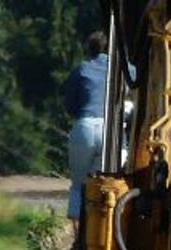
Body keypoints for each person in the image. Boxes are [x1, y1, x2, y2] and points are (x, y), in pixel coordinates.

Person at [63, 31, 109, 237]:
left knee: (78, 183)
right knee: (106, 184)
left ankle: (77, 235)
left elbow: (70, 104)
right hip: (111, 130)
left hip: (85, 126)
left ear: (88, 49)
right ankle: (103, 230)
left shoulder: (81, 70)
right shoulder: (123, 70)